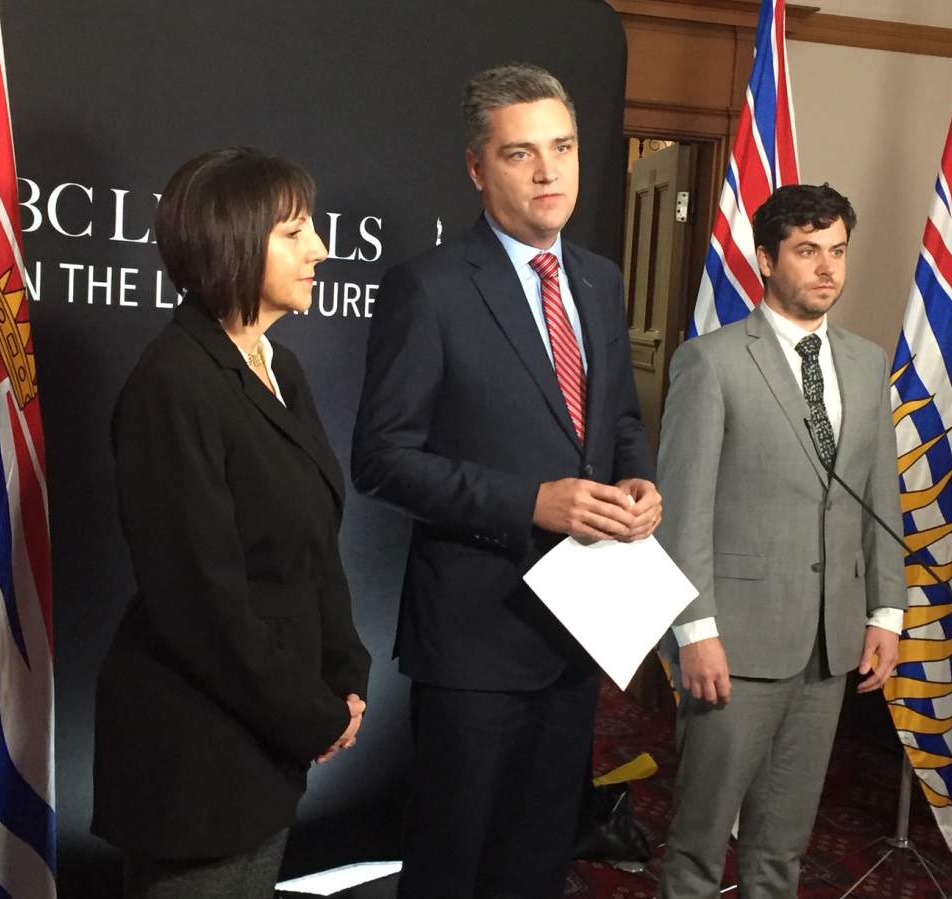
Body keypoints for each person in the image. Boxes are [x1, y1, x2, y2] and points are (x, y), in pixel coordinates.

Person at [351, 62, 660, 898]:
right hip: (475, 637)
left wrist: (640, 482)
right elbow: (380, 456)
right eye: (522, 154)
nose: (550, 171)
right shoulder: (431, 286)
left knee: (537, 863)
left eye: (562, 147)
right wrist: (532, 503)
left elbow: (620, 420)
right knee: (455, 865)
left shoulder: (599, 279)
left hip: (579, 630)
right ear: (478, 167)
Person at [92, 147, 370, 898]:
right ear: (232, 241)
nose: (320, 248)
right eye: (294, 231)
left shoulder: (281, 366)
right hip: (196, 754)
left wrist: (345, 676)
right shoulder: (173, 384)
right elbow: (201, 601)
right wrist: (311, 714)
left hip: (264, 739)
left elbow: (313, 544)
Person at [656, 183, 908, 898]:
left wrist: (886, 611)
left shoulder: (866, 362)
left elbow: (880, 497)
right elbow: (684, 514)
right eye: (807, 252)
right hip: (734, 640)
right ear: (766, 258)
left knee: (782, 849)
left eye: (837, 252)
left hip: (830, 643)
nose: (827, 269)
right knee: (700, 847)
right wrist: (694, 631)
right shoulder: (711, 362)